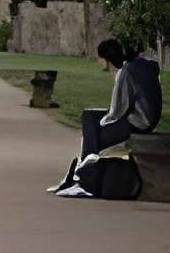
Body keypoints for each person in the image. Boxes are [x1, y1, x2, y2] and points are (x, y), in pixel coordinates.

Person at [60, 31, 162, 191]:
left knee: (93, 133)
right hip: (145, 116)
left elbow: (117, 111)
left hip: (138, 121)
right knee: (89, 116)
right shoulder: (144, 64)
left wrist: (100, 125)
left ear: (107, 59)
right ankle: (81, 172)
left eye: (100, 58)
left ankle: (85, 178)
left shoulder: (126, 72)